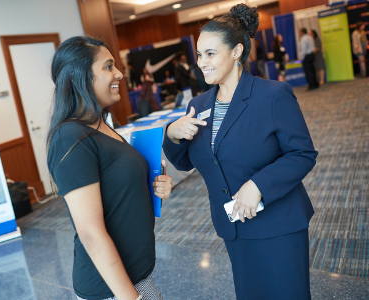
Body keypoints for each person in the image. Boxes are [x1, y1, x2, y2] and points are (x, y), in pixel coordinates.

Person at [163, 4, 318, 300]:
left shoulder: (272, 95)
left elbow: (302, 153)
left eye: (210, 53)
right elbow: (183, 162)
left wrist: (258, 185)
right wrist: (172, 132)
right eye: (199, 54)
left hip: (278, 225)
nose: (202, 62)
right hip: (235, 229)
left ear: (236, 52)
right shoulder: (199, 103)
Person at [47, 36, 173, 300]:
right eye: (108, 67)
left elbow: (117, 192)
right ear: (79, 77)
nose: (119, 74)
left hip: (137, 275)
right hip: (112, 289)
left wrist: (154, 183)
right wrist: (131, 298)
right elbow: (90, 233)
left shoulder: (102, 123)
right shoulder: (69, 138)